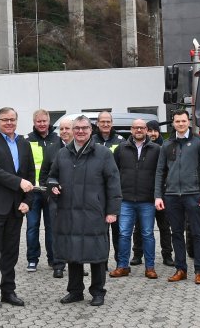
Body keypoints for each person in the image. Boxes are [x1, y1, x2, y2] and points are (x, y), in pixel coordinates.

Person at [49, 115, 122, 306]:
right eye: (77, 128)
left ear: (91, 130)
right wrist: (53, 185)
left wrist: (112, 211)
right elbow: (51, 177)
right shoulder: (62, 154)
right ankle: (75, 291)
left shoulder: (103, 154)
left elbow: (113, 184)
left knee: (96, 254)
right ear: (72, 131)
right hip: (69, 212)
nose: (80, 131)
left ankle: (98, 292)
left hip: (94, 212)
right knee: (73, 253)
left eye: (84, 128)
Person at [0, 107, 34, 309]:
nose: (9, 123)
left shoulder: (24, 143)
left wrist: (27, 201)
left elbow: (30, 174)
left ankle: (8, 291)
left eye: (12, 119)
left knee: (11, 253)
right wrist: (19, 183)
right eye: (5, 120)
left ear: (17, 120)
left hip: (16, 208)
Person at [155, 109, 200, 285]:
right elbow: (160, 172)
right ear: (172, 123)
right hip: (172, 196)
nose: (180, 124)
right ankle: (180, 269)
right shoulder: (167, 144)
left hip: (194, 195)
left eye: (183, 121)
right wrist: (158, 196)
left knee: (198, 233)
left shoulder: (199, 141)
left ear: (188, 122)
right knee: (176, 234)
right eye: (177, 121)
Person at [110, 119, 161, 280]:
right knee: (124, 234)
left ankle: (150, 268)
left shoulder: (156, 149)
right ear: (131, 130)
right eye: (135, 127)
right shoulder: (121, 149)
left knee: (147, 234)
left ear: (146, 130)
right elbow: (113, 173)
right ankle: (122, 266)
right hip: (126, 200)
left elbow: (161, 173)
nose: (139, 130)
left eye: (142, 127)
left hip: (147, 200)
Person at [26, 109, 66, 277]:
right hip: (33, 191)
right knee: (32, 227)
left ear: (49, 122)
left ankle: (53, 258)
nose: (42, 124)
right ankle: (32, 259)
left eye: (44, 121)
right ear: (34, 122)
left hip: (51, 192)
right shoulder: (26, 140)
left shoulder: (58, 140)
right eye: (38, 121)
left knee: (52, 227)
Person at [131, 119, 173, 267]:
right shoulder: (141, 147)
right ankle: (137, 254)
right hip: (144, 194)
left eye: (155, 130)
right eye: (150, 130)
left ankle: (167, 255)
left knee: (164, 226)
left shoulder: (165, 147)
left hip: (162, 194)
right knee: (139, 227)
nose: (153, 133)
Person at [92, 111, 125, 265]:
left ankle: (120, 262)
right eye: (102, 122)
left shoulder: (121, 141)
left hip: (114, 192)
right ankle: (102, 262)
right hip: (97, 194)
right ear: (98, 123)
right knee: (101, 231)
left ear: (112, 123)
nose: (105, 124)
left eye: (108, 121)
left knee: (118, 231)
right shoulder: (91, 141)